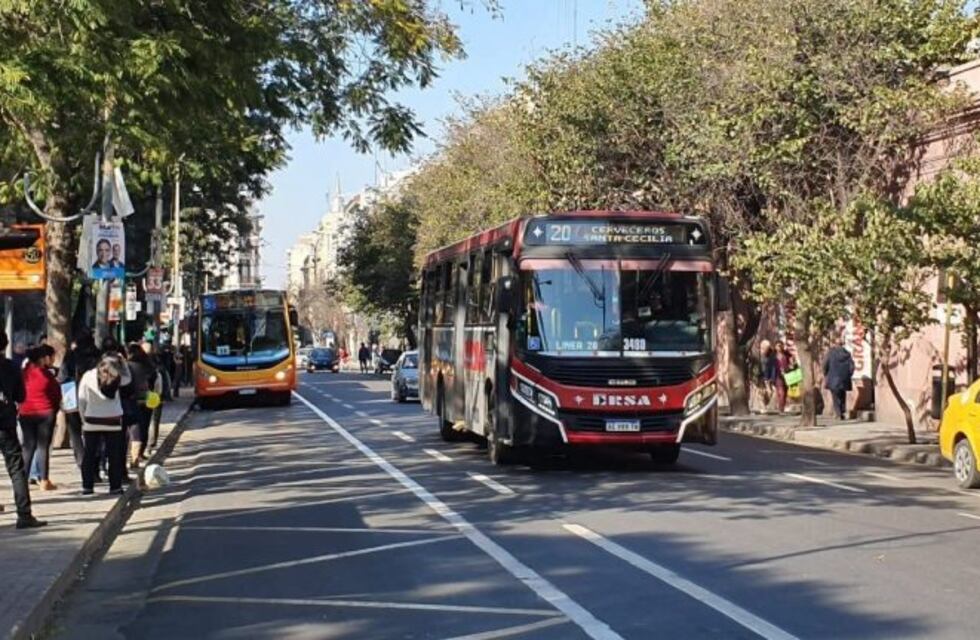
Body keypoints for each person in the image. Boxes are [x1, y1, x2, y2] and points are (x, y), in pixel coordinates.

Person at [0, 331, 46, 528]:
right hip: (5, 423)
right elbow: (20, 396)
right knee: (16, 469)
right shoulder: (11, 367)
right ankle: (24, 514)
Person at [78, 354, 128, 495]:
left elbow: (81, 399)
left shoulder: (88, 376)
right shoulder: (118, 377)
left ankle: (87, 486)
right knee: (114, 455)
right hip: (113, 420)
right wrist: (124, 363)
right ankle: (115, 486)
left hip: (92, 419)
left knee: (89, 454)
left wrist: (83, 419)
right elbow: (129, 380)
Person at [19, 345, 62, 491]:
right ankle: (44, 480)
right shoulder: (46, 375)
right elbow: (56, 394)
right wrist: (55, 409)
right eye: (52, 357)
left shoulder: (24, 373)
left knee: (27, 447)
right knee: (43, 446)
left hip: (25, 413)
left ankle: (22, 480)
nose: (53, 359)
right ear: (44, 358)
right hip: (45, 412)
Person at [59, 331, 102, 473]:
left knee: (75, 432)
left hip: (73, 396)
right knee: (94, 433)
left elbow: (62, 376)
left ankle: (82, 461)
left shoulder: (71, 355)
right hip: (95, 397)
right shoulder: (98, 355)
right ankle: (94, 465)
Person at [126, 343, 161, 467]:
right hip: (148, 399)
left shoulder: (127, 367)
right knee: (144, 426)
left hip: (132, 400)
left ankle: (133, 455)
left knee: (133, 428)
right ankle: (139, 453)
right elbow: (155, 380)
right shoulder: (149, 365)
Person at [823, 337, 856, 420]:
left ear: (835, 344)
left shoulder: (831, 353)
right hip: (844, 378)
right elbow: (852, 367)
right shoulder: (847, 354)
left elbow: (825, 364)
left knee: (835, 396)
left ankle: (838, 413)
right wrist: (848, 375)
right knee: (842, 395)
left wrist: (826, 373)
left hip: (833, 378)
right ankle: (842, 411)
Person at [774, 341, 794, 414]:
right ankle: (780, 408)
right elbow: (771, 366)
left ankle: (782, 406)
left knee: (785, 392)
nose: (779, 347)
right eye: (777, 346)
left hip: (787, 375)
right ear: (775, 347)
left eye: (780, 345)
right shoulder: (774, 356)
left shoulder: (786, 354)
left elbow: (791, 362)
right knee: (781, 392)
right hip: (778, 376)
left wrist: (790, 365)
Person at [760, 340, 778, 413]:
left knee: (770, 392)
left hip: (769, 378)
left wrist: (771, 379)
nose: (762, 350)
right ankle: (764, 407)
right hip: (763, 377)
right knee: (763, 393)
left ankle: (768, 406)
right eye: (762, 348)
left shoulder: (772, 357)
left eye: (763, 348)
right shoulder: (761, 356)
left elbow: (773, 368)